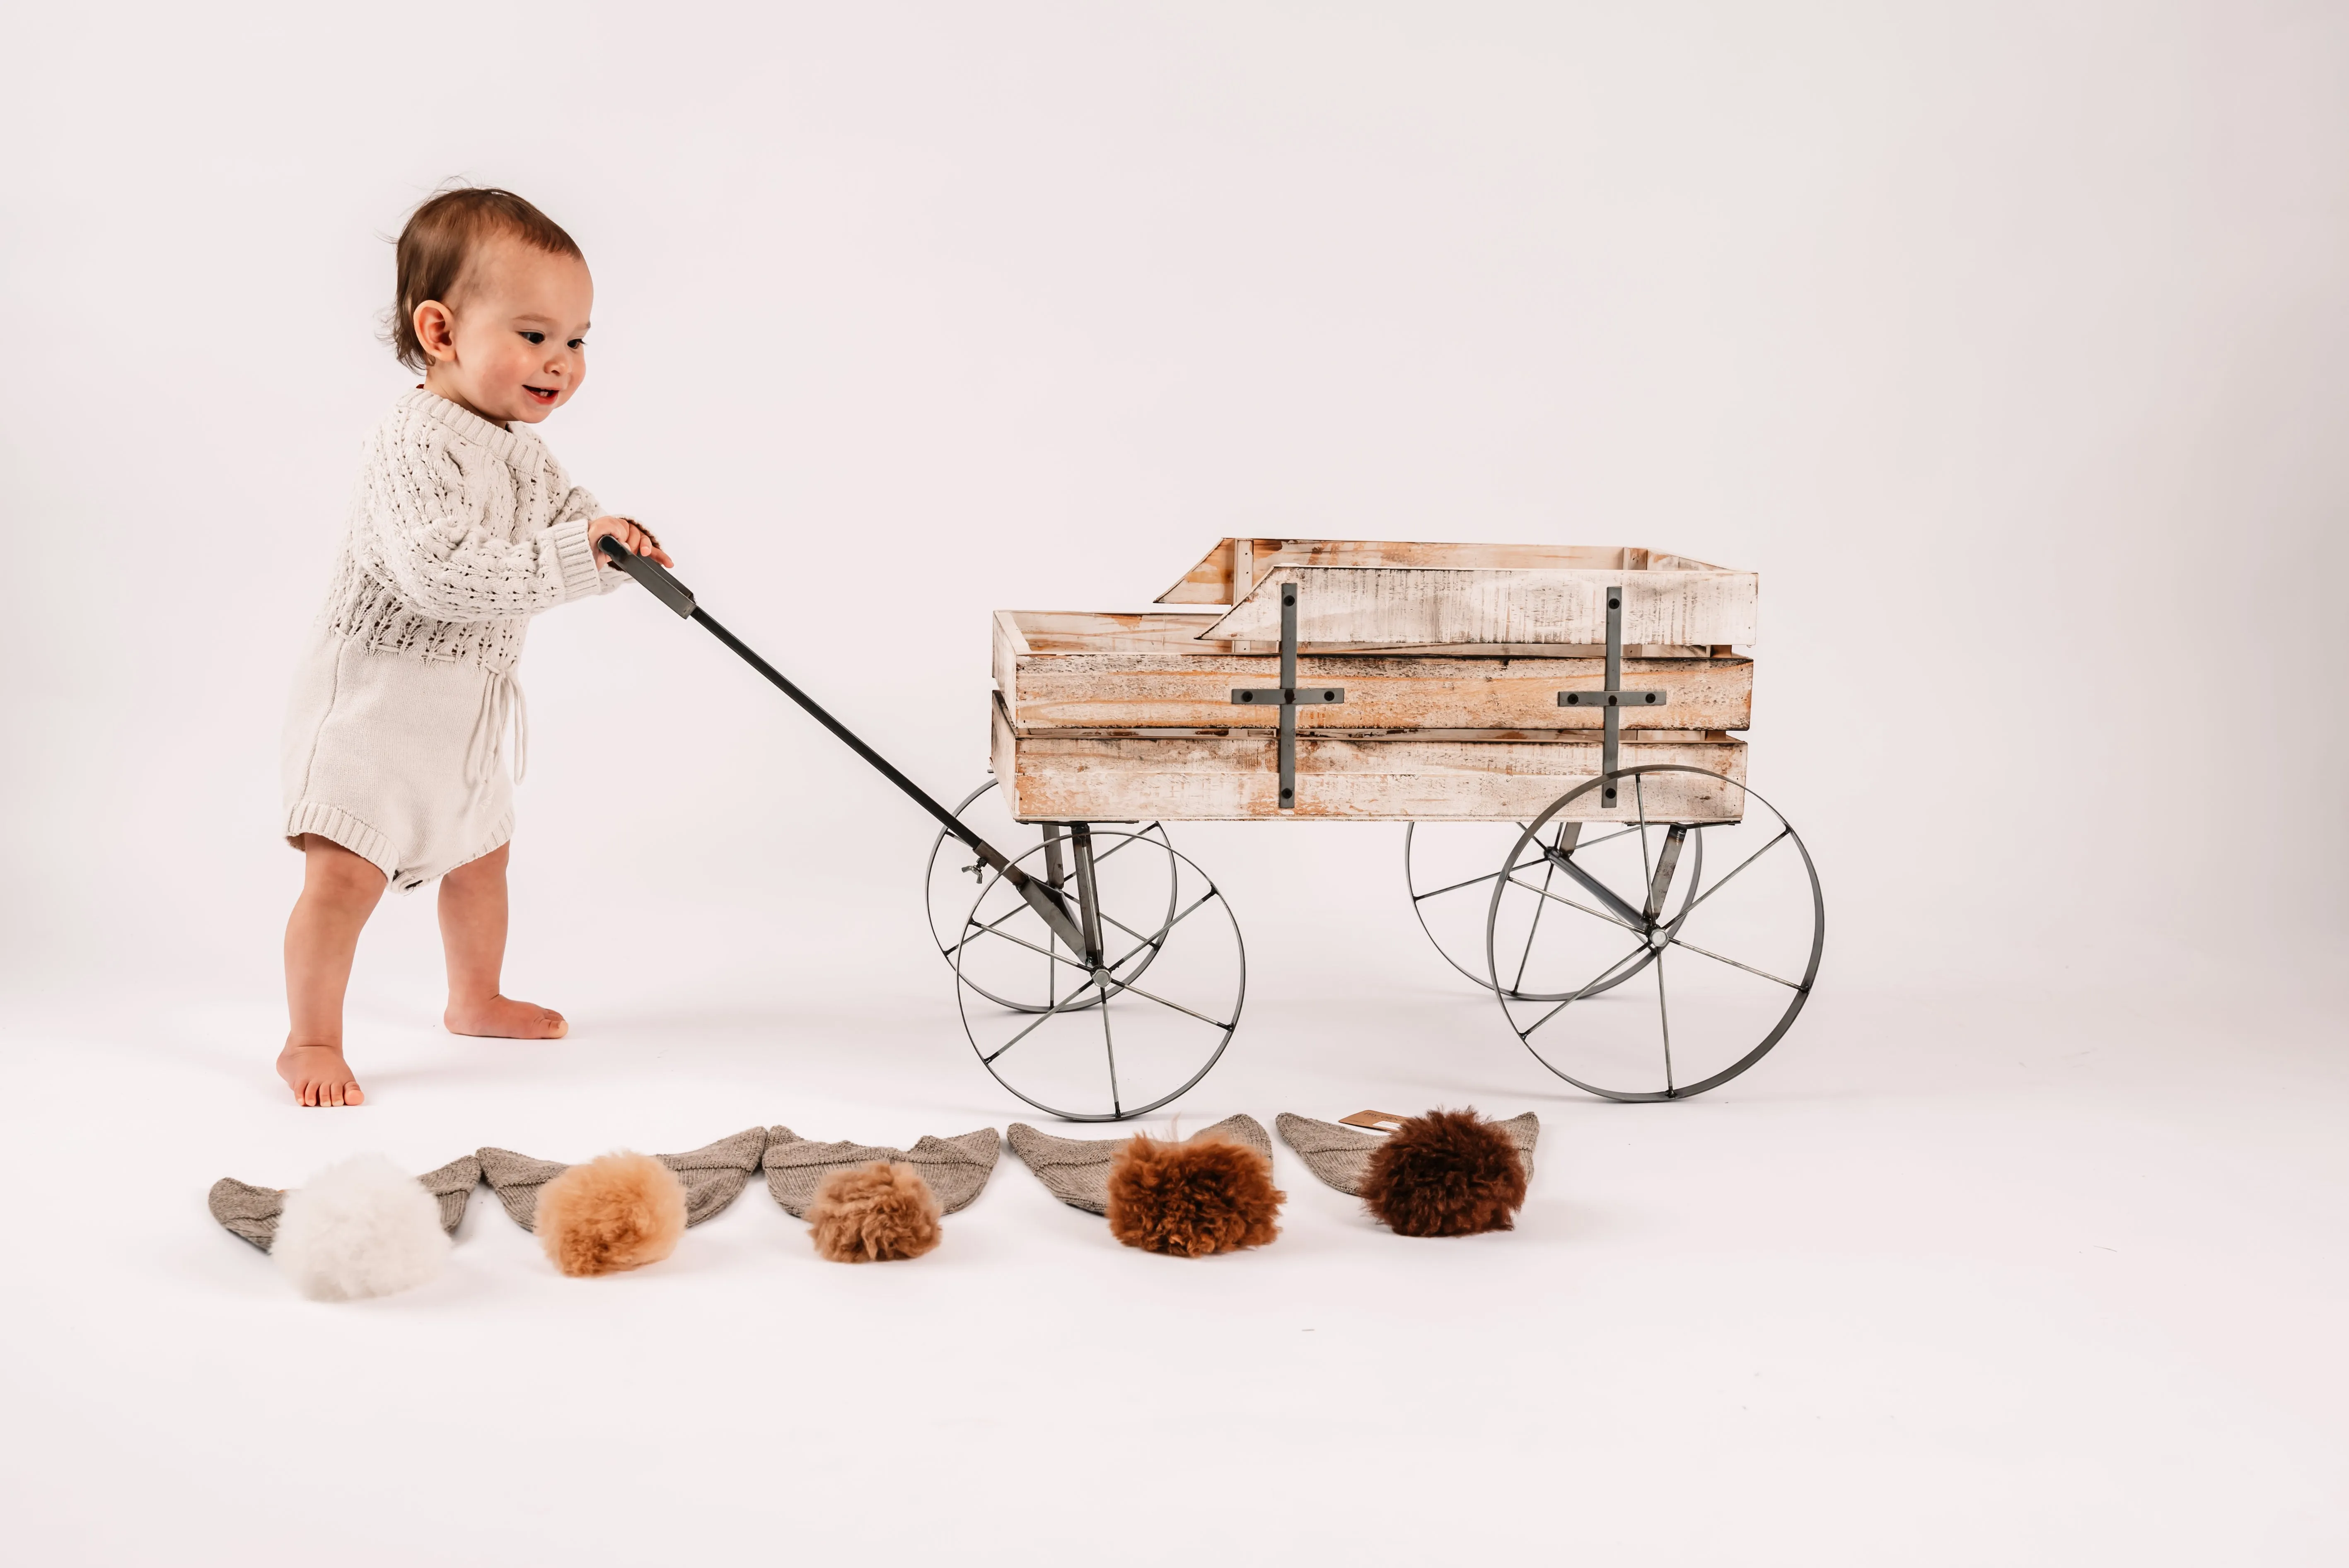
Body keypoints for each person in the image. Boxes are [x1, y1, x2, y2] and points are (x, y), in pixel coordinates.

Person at [276, 187, 669, 1107]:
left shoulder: (521, 453)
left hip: (463, 708)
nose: (562, 363)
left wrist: (616, 545)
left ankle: (474, 996)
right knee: (344, 875)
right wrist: (579, 554)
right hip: (375, 706)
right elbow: (442, 573)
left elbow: (568, 525)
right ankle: (310, 1039)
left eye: (577, 340)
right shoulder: (413, 442)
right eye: (534, 336)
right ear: (441, 331)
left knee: (482, 853)